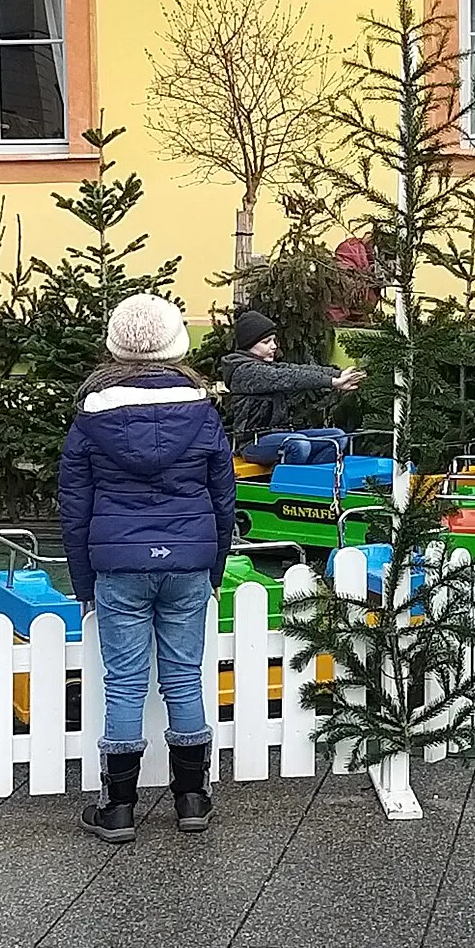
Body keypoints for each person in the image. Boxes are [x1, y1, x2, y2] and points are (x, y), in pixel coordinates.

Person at [59, 293, 237, 844]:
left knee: (125, 683)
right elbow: (223, 497)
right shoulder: (204, 413)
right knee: (184, 676)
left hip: (118, 561)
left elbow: (75, 505)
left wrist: (84, 581)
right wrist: (215, 566)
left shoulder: (90, 419)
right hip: (189, 559)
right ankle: (192, 798)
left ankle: (118, 808)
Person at [219, 309, 363, 465]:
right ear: (249, 345)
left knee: (337, 437)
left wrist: (338, 374)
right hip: (253, 442)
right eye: (266, 342)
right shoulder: (245, 372)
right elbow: (290, 377)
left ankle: (310, 482)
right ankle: (287, 486)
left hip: (281, 435)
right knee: (298, 444)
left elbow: (297, 369)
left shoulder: (267, 366)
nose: (273, 346)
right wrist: (331, 382)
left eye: (274, 340)